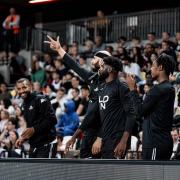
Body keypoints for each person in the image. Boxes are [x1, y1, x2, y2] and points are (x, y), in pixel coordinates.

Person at [44, 35, 111, 158]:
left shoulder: (111, 84)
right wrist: (59, 49)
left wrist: (100, 137)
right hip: (88, 130)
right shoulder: (92, 78)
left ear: (102, 61)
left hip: (102, 133)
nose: (92, 61)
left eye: (95, 59)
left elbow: (110, 115)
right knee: (85, 165)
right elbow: (75, 66)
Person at [126, 53, 176, 160]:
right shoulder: (169, 88)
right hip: (161, 141)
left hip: (155, 143)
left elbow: (139, 112)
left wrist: (132, 90)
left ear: (160, 67)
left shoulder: (158, 89)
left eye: (153, 66)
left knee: (152, 176)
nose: (150, 69)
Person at [97, 56, 135, 159]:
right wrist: (100, 137)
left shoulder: (121, 86)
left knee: (115, 174)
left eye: (102, 66)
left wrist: (123, 141)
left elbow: (131, 115)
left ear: (109, 69)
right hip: (106, 139)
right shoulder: (103, 87)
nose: (99, 68)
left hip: (117, 140)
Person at [15, 78, 57, 158]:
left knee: (44, 170)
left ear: (30, 86)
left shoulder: (41, 99)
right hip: (33, 145)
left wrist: (34, 129)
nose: (21, 91)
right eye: (19, 89)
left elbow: (52, 120)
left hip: (46, 144)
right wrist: (23, 138)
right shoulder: (23, 105)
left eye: (24, 87)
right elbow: (31, 126)